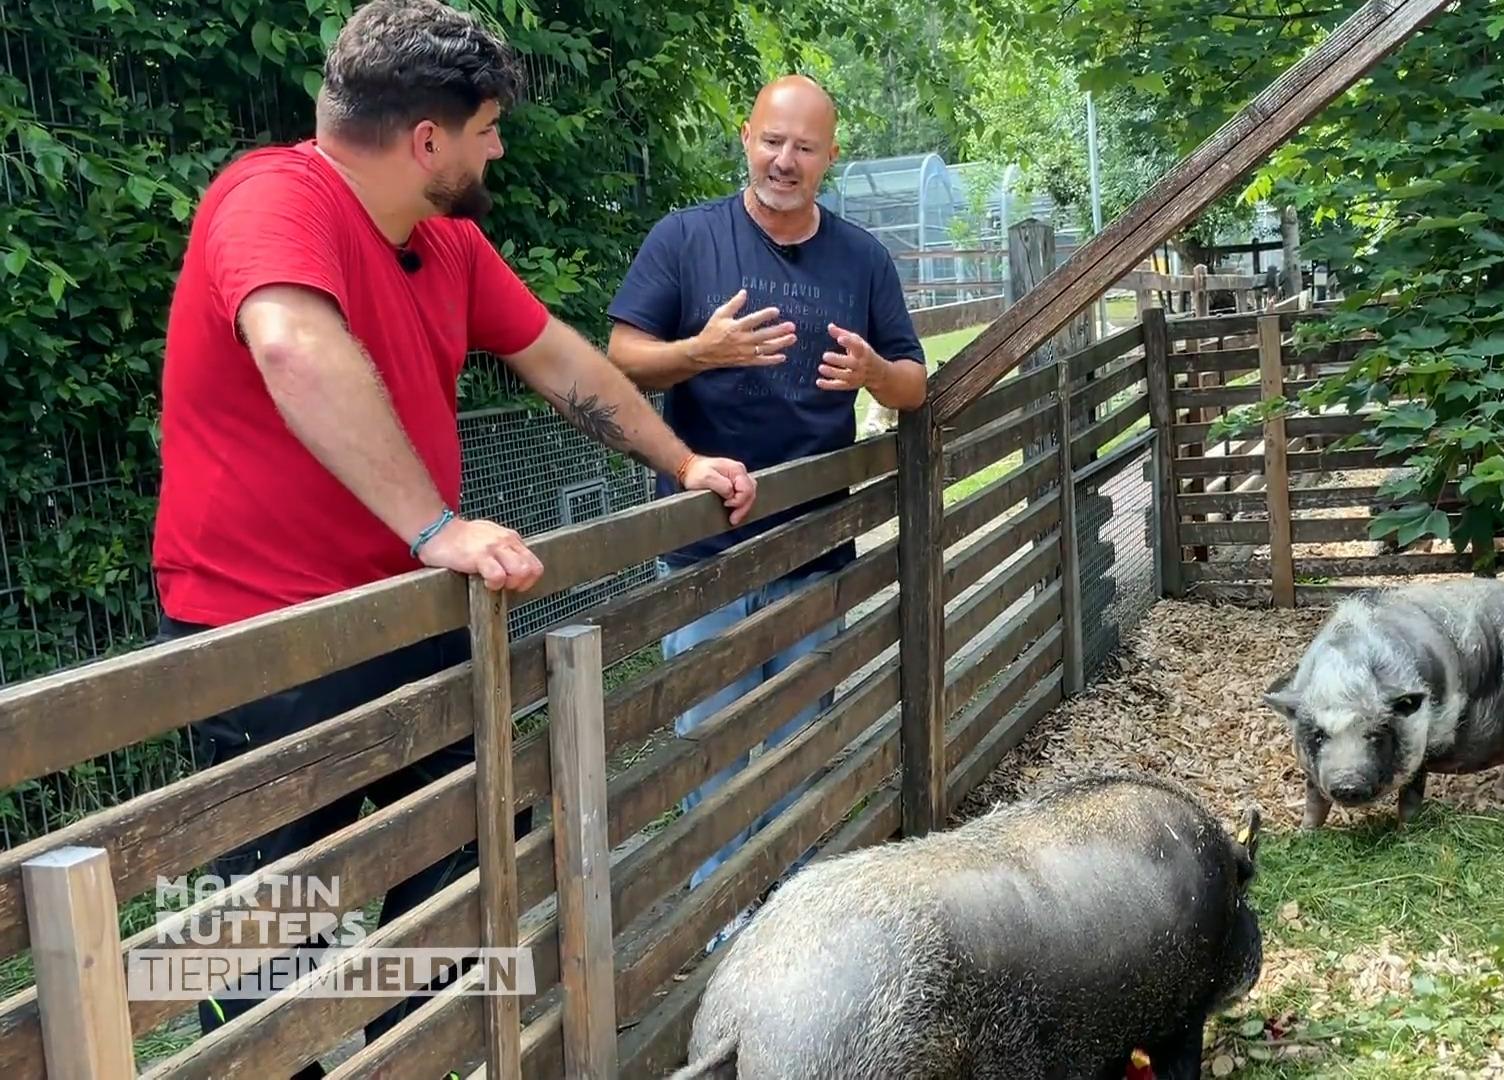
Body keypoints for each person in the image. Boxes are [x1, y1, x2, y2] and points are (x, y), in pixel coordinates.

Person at [149, 1, 756, 1073]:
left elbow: (563, 361)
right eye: (487, 128)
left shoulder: (447, 243)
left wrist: (681, 462)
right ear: (427, 140)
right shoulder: (270, 197)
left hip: (414, 615)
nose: (499, 147)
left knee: (460, 868)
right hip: (267, 640)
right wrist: (435, 523)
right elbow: (290, 342)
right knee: (265, 923)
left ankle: (421, 1059)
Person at [605, 74, 927, 949]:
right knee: (710, 752)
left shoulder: (860, 259)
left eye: (805, 146)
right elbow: (622, 358)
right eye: (771, 141)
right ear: (745, 138)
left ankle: (785, 921)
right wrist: (698, 352)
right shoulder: (686, 238)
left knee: (792, 746)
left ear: (830, 157)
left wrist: (872, 375)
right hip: (703, 553)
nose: (785, 160)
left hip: (814, 543)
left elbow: (915, 381)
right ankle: (721, 923)